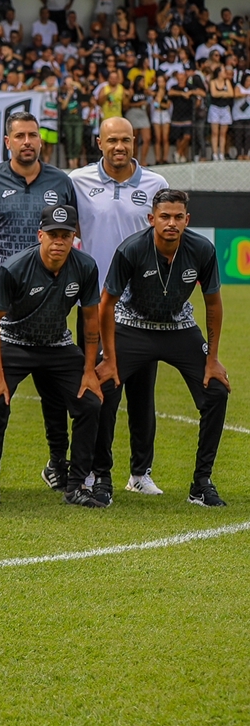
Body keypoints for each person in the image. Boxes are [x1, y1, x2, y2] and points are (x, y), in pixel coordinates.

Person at [0, 111, 79, 497]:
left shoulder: (61, 182)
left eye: (33, 135)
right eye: (20, 136)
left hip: (49, 298)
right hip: (0, 300)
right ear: (8, 142)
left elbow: (69, 234)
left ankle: (59, 466)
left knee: (54, 392)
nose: (28, 141)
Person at [98, 189, 230, 506]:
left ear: (187, 219)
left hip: (178, 329)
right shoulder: (131, 249)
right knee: (103, 388)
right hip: (131, 327)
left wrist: (212, 359)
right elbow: (106, 305)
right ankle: (101, 477)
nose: (171, 223)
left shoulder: (201, 249)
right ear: (151, 219)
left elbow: (213, 304)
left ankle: (201, 484)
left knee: (216, 391)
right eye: (164, 216)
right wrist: (109, 358)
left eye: (178, 217)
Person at [0, 205, 103, 508]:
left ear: (75, 238)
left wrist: (88, 369)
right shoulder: (15, 267)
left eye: (66, 235)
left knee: (90, 402)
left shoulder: (85, 266)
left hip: (58, 344)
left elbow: (91, 320)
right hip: (14, 341)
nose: (59, 242)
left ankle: (76, 485)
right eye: (53, 235)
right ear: (40, 235)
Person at [68, 117, 168, 496]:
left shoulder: (156, 184)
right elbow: (73, 230)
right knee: (98, 392)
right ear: (99, 142)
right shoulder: (78, 181)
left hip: (142, 307)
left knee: (142, 394)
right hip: (94, 305)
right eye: (112, 140)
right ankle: (94, 469)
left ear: (135, 141)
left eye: (126, 140)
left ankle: (140, 472)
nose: (120, 147)